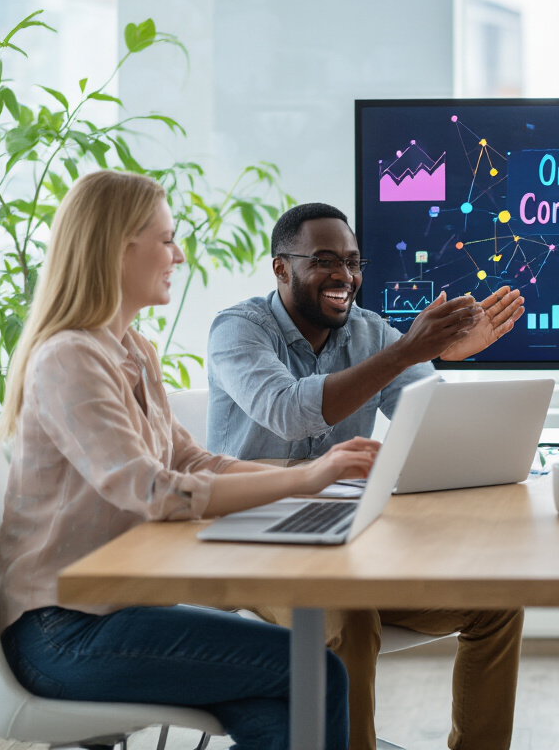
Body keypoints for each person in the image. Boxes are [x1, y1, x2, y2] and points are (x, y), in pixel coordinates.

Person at [0, 170, 379, 750]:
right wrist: (306, 475)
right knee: (313, 671)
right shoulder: (69, 357)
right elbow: (157, 493)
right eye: (166, 238)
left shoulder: (132, 349)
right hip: (66, 632)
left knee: (284, 714)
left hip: (122, 611)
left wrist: (318, 488)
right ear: (117, 246)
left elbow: (195, 461)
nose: (178, 253)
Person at [206, 201, 526, 750]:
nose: (345, 277)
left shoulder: (371, 333)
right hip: (252, 541)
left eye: (354, 262)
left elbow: (431, 426)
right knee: (349, 618)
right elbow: (290, 410)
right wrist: (406, 351)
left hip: (345, 539)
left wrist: (437, 363)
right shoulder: (237, 331)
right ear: (281, 267)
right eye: (325, 260)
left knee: (497, 600)